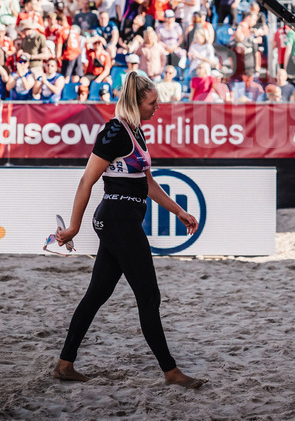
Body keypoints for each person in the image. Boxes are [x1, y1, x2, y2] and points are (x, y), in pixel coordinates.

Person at [52, 72, 203, 388]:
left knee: (97, 294)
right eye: (152, 101)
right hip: (117, 221)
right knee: (149, 296)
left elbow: (147, 183)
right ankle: (171, 371)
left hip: (122, 220)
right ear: (136, 102)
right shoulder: (115, 132)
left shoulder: (136, 131)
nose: (158, 106)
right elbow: (86, 180)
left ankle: (65, 364)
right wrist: (75, 226)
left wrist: (178, 211)